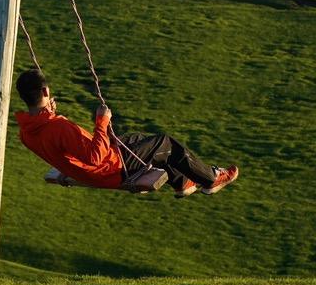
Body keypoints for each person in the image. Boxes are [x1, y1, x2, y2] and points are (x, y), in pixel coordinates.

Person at [15, 68, 239, 198]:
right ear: (45, 91)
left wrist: (50, 114)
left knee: (136, 139)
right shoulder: (57, 127)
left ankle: (181, 182)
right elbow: (95, 157)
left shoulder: (28, 132)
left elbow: (56, 146)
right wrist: (102, 121)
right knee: (164, 143)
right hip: (111, 169)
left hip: (90, 170)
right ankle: (210, 179)